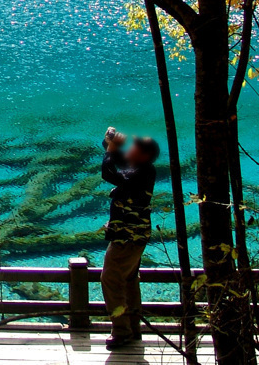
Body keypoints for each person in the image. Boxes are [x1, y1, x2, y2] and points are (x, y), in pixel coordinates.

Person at [99, 126, 160, 350]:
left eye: (133, 146)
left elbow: (110, 173)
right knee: (128, 281)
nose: (129, 148)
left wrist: (111, 150)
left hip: (127, 237)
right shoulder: (142, 168)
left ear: (142, 154)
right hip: (135, 234)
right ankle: (133, 328)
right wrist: (110, 143)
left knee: (111, 280)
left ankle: (121, 331)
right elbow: (117, 164)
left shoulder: (140, 172)